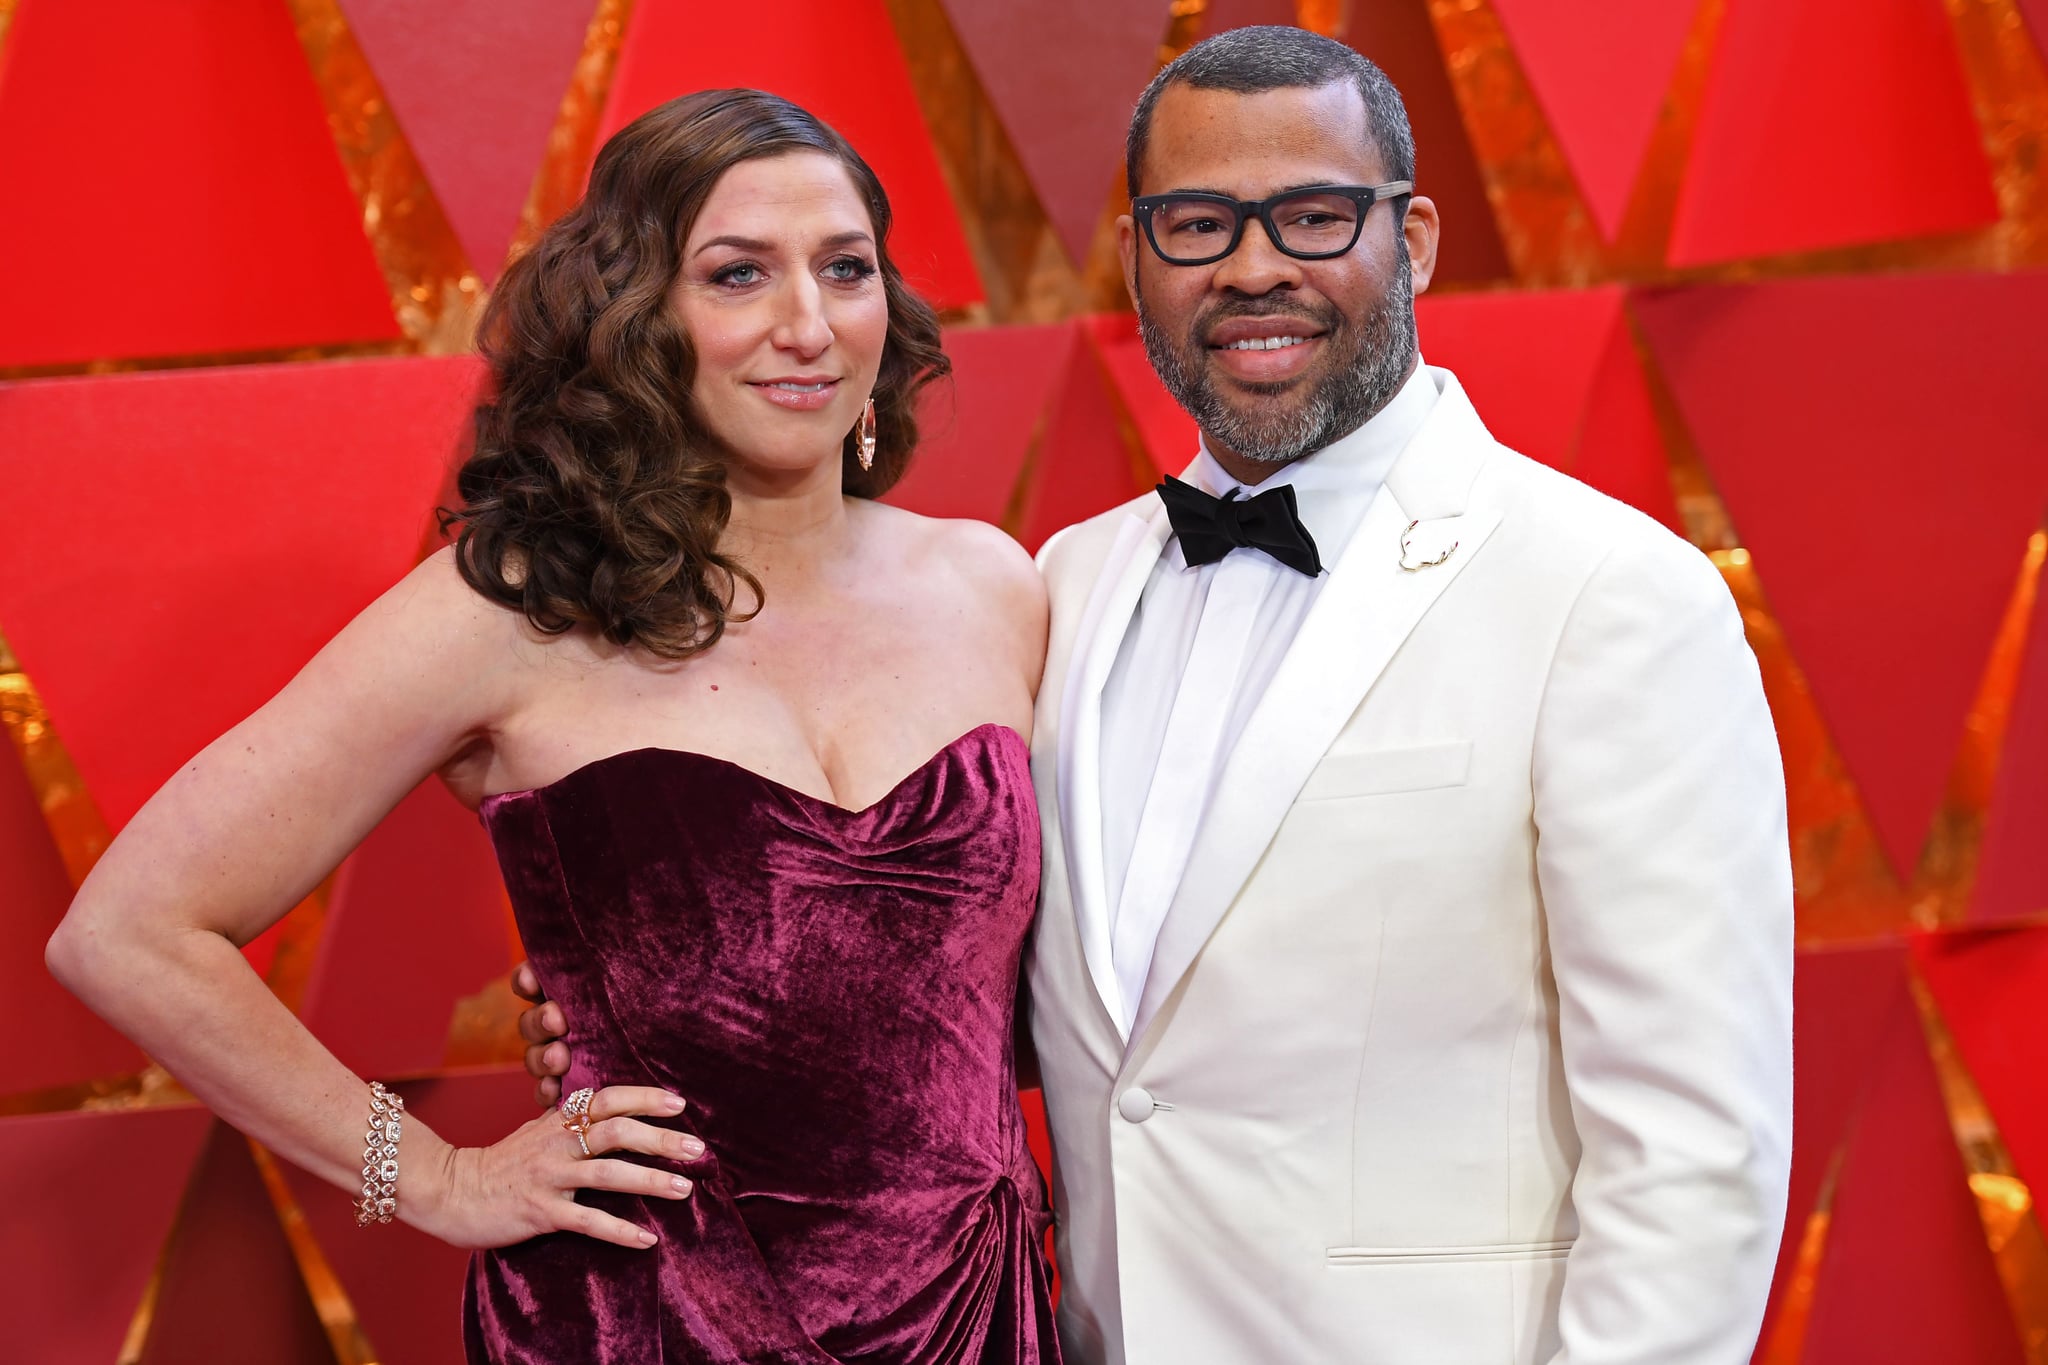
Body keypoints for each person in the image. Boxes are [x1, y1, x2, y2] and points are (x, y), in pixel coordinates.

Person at [525, 27, 1795, 1365]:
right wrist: (672, 980)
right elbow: (974, 978)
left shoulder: (1608, 593)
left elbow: (1694, 1147)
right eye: (1198, 224)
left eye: (1312, 216)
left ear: (1412, 240)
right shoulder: (1067, 582)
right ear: (1137, 261)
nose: (1254, 268)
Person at [48, 89, 1060, 1364]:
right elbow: (129, 931)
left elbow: (1026, 986)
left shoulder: (994, 586)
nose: (807, 325)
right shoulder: (512, 604)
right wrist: (425, 1177)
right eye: (737, 273)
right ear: (639, 318)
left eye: (844, 268)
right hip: (652, 1319)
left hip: (973, 1315)